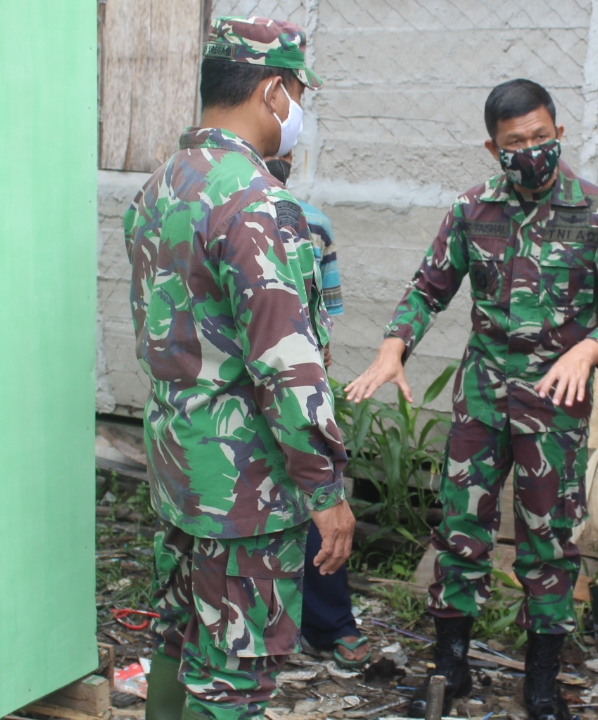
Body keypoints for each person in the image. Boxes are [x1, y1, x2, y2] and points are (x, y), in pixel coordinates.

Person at [345, 79, 598, 720]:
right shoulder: (471, 211)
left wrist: (588, 350)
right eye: (516, 143)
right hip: (482, 399)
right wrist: (392, 346)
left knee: (549, 539)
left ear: (559, 134)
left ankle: (541, 683)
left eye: (542, 138)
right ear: (494, 148)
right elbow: (428, 287)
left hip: (553, 402)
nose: (531, 150)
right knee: (461, 529)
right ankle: (450, 667)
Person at [123, 16, 355, 720]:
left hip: (177, 462)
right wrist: (327, 489)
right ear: (273, 89)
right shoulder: (257, 203)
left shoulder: (163, 186)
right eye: (296, 93)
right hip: (244, 486)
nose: (296, 112)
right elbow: (288, 365)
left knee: (181, 632)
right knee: (236, 669)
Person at [263, 151, 371, 668]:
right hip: (237, 396)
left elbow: (323, 323)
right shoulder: (216, 209)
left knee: (319, 497)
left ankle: (329, 624)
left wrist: (310, 384)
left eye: (283, 154)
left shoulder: (313, 226)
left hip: (296, 386)